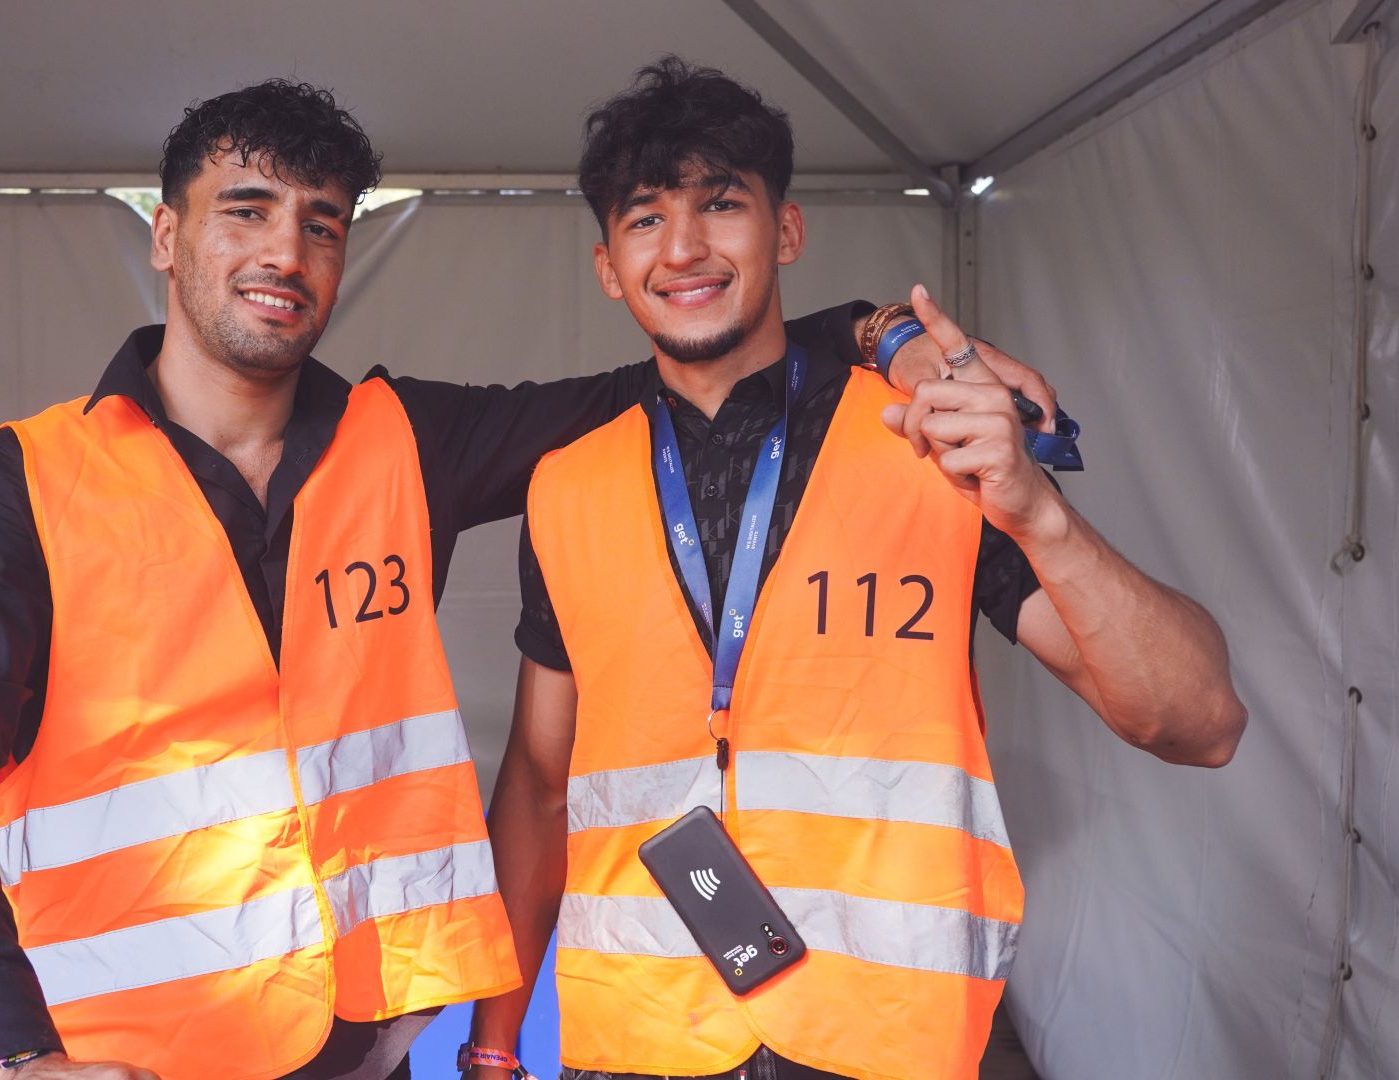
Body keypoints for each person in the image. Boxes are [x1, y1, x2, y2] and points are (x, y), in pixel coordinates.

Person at [0, 78, 1055, 1080]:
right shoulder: (31, 478)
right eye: (245, 210)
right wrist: (2, 1055)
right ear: (166, 234)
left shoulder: (399, 442)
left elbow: (684, 370)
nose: (285, 251)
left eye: (320, 222)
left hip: (366, 1051)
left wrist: (876, 335)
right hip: (119, 1061)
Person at [463, 58, 1246, 1080]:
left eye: (722, 203)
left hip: (886, 1037)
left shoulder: (928, 445)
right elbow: (537, 783)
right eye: (646, 218)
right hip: (636, 1038)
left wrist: (1040, 516)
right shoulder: (567, 485)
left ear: (786, 232)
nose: (685, 246)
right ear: (609, 264)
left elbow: (1198, 725)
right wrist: (491, 1043)